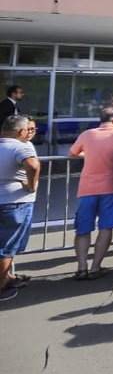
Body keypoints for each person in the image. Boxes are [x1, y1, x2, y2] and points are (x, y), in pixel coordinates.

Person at [68, 106, 113, 279]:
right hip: (112, 186)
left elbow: (72, 153)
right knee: (106, 227)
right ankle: (96, 267)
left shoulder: (87, 134)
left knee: (82, 229)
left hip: (87, 187)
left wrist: (88, 154)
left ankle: (81, 268)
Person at [0, 115, 40, 302]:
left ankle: (7, 277)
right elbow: (32, 165)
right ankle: (1, 286)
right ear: (21, 132)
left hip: (6, 201)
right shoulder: (20, 146)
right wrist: (32, 186)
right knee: (7, 247)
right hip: (14, 203)